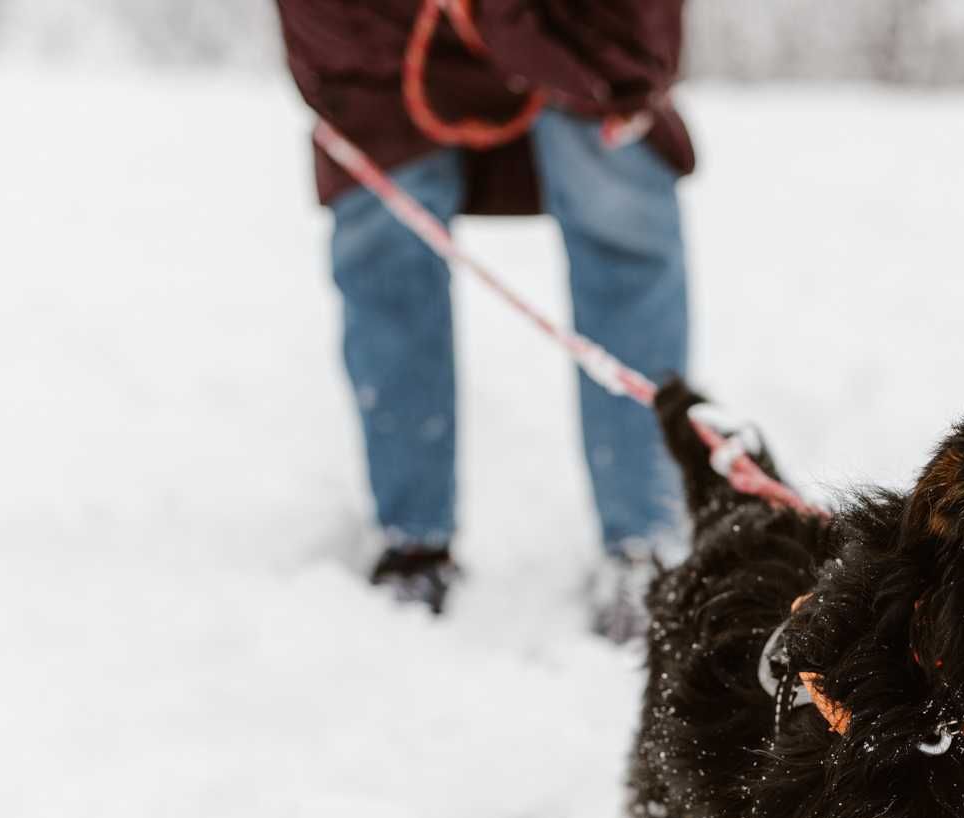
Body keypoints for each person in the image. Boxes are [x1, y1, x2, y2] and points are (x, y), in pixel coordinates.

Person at [274, 0, 694, 639]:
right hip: (385, 25)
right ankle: (411, 539)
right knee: (384, 242)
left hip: (578, 24)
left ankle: (645, 541)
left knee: (623, 217)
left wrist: (617, 63)